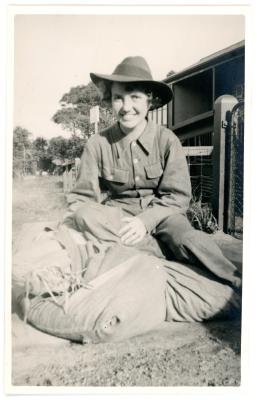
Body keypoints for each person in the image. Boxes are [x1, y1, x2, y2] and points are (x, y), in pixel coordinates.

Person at [66, 56, 241, 289]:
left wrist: (145, 221)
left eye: (135, 97)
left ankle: (236, 283)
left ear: (149, 100)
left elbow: (177, 198)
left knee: (187, 240)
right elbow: (82, 200)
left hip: (163, 217)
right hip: (119, 220)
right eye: (118, 98)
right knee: (85, 215)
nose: (127, 107)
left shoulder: (167, 140)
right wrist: (97, 218)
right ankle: (159, 250)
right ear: (110, 101)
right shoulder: (97, 144)